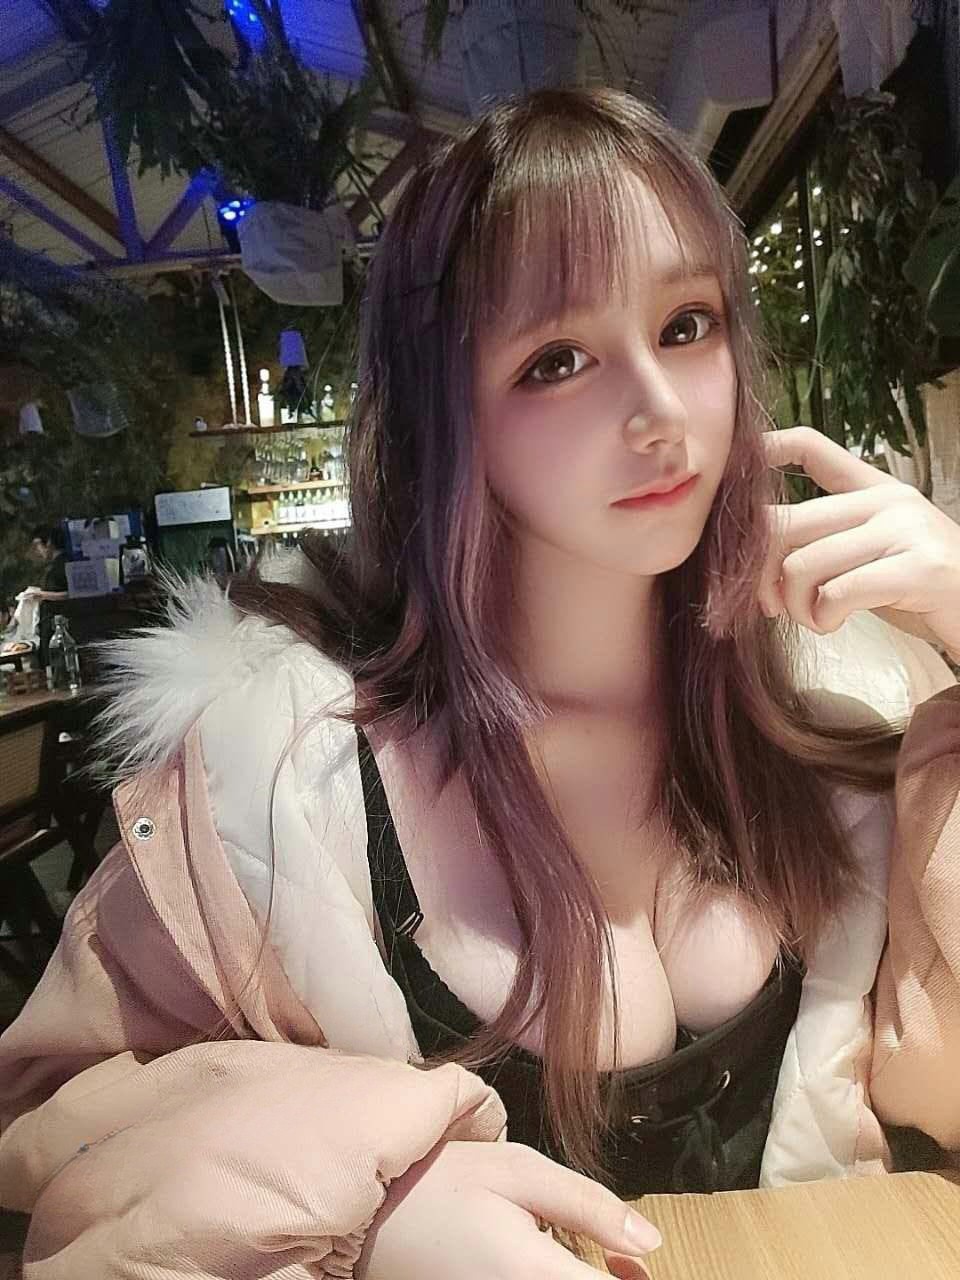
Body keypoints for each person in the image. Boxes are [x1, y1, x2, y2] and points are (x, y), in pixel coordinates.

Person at [1, 86, 959, 1278]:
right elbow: (51, 1125)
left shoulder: (838, 705)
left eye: (687, 324)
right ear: (445, 416)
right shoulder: (276, 779)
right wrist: (363, 1206)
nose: (659, 410)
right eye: (557, 359)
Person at [25, 524, 70, 598]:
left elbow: (73, 593)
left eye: (37, 545)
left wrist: (42, 595)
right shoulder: (62, 563)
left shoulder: (60, 567)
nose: (37, 551)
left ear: (49, 543)